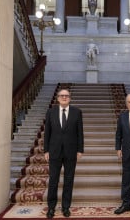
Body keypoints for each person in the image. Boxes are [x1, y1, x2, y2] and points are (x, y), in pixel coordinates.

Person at [44, 88, 84, 219]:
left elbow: (80, 133)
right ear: (58, 98)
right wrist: (46, 150)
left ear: (70, 98)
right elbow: (47, 133)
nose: (64, 97)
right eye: (62, 95)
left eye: (67, 95)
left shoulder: (77, 112)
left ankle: (66, 207)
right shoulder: (51, 112)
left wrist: (80, 150)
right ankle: (51, 207)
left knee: (68, 180)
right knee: (53, 180)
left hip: (71, 151)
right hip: (54, 151)